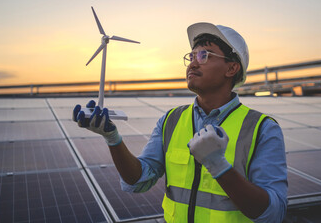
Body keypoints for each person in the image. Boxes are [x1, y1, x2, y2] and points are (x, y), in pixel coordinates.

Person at [73, 22, 288, 222]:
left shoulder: (262, 129)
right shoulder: (171, 120)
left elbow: (273, 213)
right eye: (192, 55)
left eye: (204, 55)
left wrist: (218, 166)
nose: (193, 63)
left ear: (231, 69)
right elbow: (138, 180)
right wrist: (113, 138)